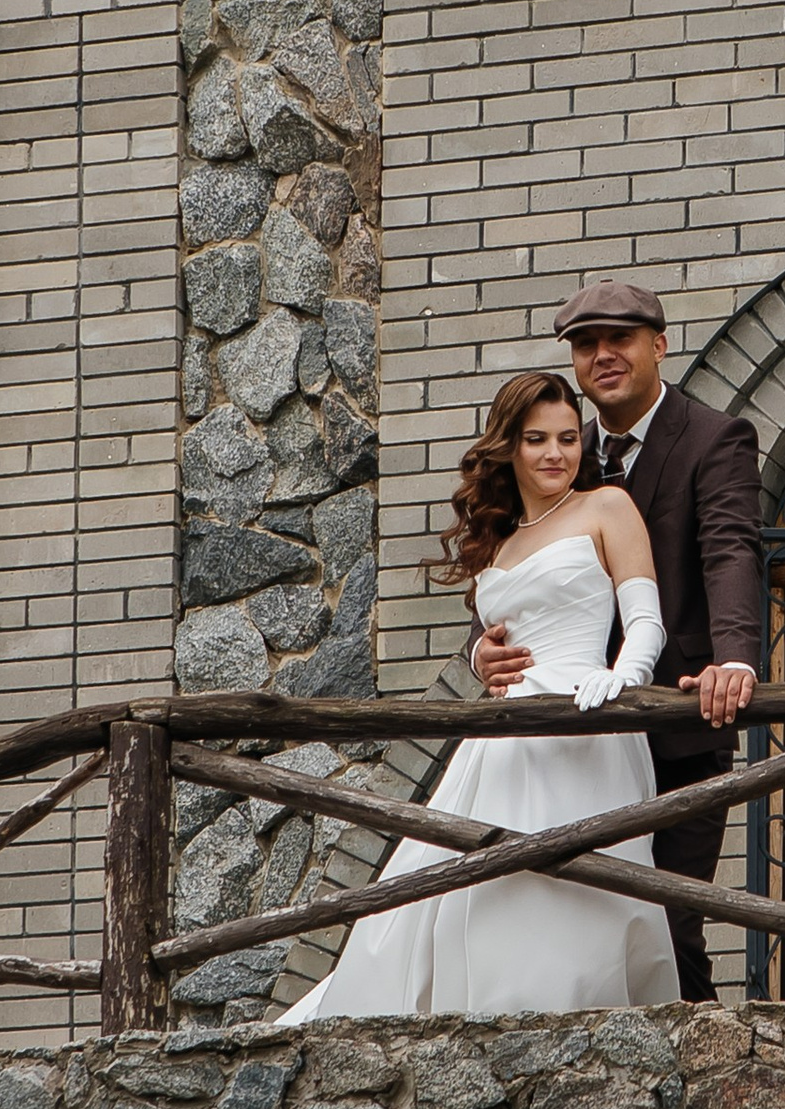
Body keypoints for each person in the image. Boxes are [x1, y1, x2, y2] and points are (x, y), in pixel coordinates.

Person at [288, 371, 680, 1020]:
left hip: (583, 715)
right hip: (501, 733)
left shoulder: (607, 508)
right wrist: (479, 655)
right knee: (473, 879)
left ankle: (570, 1015)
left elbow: (646, 619)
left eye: (565, 439)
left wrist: (624, 675)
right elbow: (496, 627)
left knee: (580, 883)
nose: (556, 453)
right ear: (510, 448)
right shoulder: (500, 538)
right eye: (536, 440)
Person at [473, 278, 761, 1000]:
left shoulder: (712, 439)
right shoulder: (561, 446)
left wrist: (734, 657)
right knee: (551, 910)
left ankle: (709, 1066)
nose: (602, 355)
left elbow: (729, 551)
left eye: (620, 340)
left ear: (659, 346)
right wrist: (480, 647)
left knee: (667, 923)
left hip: (676, 722)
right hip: (559, 743)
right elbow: (521, 566)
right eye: (585, 344)